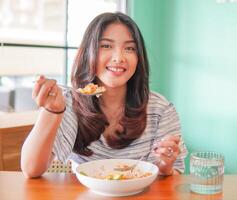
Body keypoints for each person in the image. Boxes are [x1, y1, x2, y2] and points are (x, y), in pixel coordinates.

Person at [21, 12, 187, 178]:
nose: (119, 58)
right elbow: (31, 169)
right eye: (106, 46)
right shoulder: (68, 103)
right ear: (88, 52)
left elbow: (174, 174)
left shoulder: (161, 109)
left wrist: (165, 166)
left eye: (129, 48)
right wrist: (52, 111)